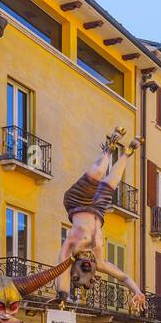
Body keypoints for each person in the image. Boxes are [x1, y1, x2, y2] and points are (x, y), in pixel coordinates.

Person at [54, 129, 147, 309]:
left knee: (96, 175)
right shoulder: (100, 260)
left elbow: (62, 272)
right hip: (98, 210)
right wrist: (137, 291)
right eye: (92, 274)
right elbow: (123, 277)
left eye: (82, 272)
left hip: (77, 203)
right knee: (111, 183)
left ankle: (108, 149)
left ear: (75, 270)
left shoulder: (70, 249)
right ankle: (128, 152)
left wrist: (62, 296)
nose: (90, 270)